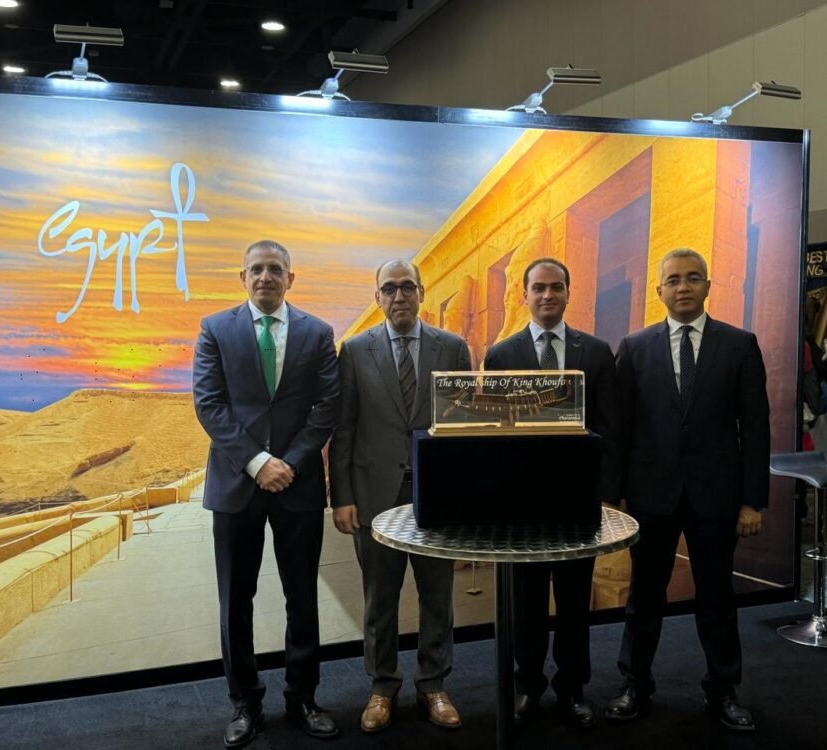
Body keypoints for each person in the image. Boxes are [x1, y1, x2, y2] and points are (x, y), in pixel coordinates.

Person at [606, 248, 769, 733]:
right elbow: (620, 428)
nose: (683, 287)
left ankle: (723, 691)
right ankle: (635, 684)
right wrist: (614, 496)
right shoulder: (634, 347)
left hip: (716, 497)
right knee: (644, 598)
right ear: (659, 290)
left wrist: (752, 500)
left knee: (717, 599)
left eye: (693, 278)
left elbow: (755, 429)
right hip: (650, 496)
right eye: (674, 279)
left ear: (708, 286)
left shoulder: (740, 345)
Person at [193, 240, 340, 747]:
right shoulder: (215, 329)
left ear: (290, 279)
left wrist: (289, 463)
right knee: (236, 601)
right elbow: (210, 405)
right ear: (242, 277)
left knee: (302, 597)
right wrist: (258, 463)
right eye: (256, 269)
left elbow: (327, 406)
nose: (265, 277)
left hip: (298, 486)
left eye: (275, 269)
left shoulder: (318, 333)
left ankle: (303, 698)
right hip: (237, 485)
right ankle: (245, 704)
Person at [329, 259, 471, 733]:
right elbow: (343, 429)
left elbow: (464, 429)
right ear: (377, 298)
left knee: (438, 597)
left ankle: (433, 684)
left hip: (437, 496)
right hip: (374, 497)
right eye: (388, 289)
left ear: (422, 292)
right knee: (380, 598)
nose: (398, 296)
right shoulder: (354, 351)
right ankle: (382, 687)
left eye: (407, 287)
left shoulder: (452, 348)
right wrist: (341, 496)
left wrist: (466, 498)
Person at [483, 257, 620, 731]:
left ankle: (573, 689)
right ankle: (527, 687)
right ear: (524, 295)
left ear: (568, 292)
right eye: (538, 288)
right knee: (526, 603)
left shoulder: (596, 352)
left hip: (578, 502)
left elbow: (611, 429)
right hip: (522, 506)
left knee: (575, 601)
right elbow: (493, 436)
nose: (547, 295)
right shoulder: (501, 356)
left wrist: (607, 495)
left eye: (556, 287)